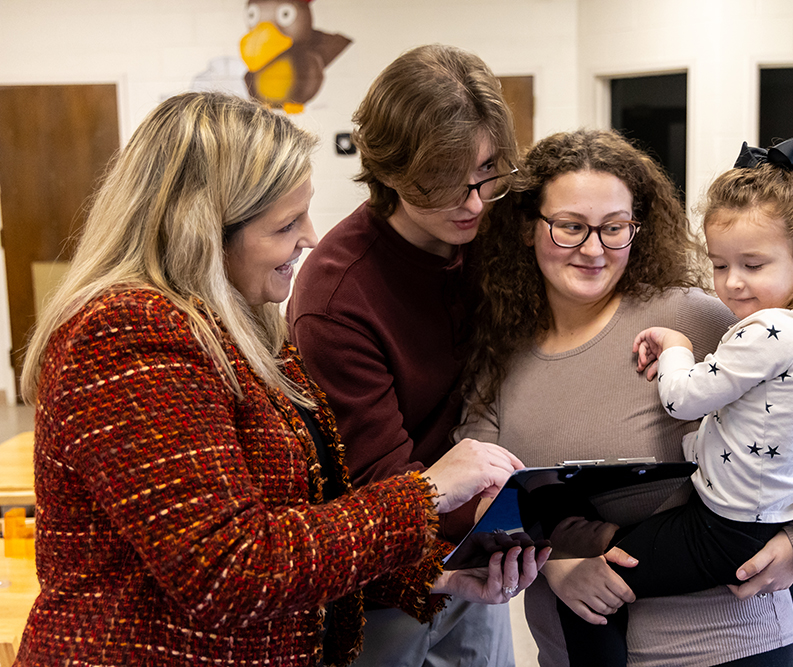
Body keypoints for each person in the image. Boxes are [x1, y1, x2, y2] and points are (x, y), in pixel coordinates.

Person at [13, 91, 547, 667]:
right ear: (204, 231)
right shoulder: (130, 335)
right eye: (286, 223)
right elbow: (230, 569)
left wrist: (437, 578)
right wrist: (429, 491)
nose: (312, 237)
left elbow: (303, 527)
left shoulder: (243, 327)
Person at [457, 129, 793, 667]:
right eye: (571, 226)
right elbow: (484, 491)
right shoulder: (497, 352)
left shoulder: (700, 316)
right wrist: (555, 564)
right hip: (575, 643)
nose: (593, 248)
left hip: (726, 638)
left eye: (615, 228)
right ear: (529, 226)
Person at [562, 136, 793, 665]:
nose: (731, 285)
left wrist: (678, 349)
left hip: (723, 527)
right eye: (718, 265)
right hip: (759, 517)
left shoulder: (766, 333)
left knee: (589, 595)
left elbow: (682, 399)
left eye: (752, 265)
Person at [287, 45, 522, 666]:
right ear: (388, 169)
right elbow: (381, 483)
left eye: (486, 173)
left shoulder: (488, 236)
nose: (473, 203)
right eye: (446, 184)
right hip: (385, 576)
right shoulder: (337, 297)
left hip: (479, 548)